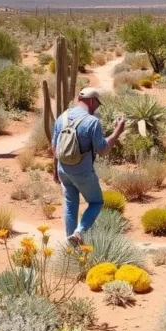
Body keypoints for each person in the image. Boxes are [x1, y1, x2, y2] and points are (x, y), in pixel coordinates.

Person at [52, 88, 126, 246]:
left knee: (71, 204)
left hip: (63, 170)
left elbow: (54, 148)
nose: (96, 108)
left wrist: (55, 171)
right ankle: (80, 231)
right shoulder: (92, 122)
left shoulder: (62, 117)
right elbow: (103, 150)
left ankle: (70, 245)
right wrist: (117, 132)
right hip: (83, 172)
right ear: (92, 101)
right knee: (96, 202)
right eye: (97, 104)